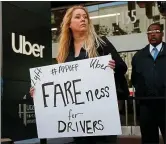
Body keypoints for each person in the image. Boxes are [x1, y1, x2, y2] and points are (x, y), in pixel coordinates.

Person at [30, 5, 128, 144]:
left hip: (101, 117)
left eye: (85, 17)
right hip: (78, 121)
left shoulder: (101, 43)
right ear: (69, 24)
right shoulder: (65, 53)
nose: (83, 19)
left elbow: (121, 67)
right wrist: (39, 91)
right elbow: (60, 84)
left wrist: (111, 68)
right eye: (78, 17)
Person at [131, 23, 166, 144]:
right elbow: (134, 79)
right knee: (149, 139)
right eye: (150, 32)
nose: (153, 34)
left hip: (165, 103)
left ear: (162, 33)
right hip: (147, 106)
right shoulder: (139, 56)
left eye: (156, 31)